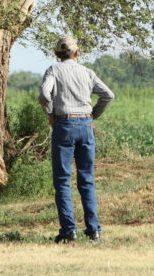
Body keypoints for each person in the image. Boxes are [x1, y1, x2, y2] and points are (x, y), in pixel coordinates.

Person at [39, 36, 115, 243]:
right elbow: (108, 95)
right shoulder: (87, 72)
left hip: (64, 125)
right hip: (85, 125)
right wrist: (92, 115)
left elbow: (45, 94)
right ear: (76, 53)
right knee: (87, 179)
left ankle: (68, 231)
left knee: (63, 181)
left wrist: (51, 115)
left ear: (57, 54)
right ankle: (93, 230)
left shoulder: (54, 70)